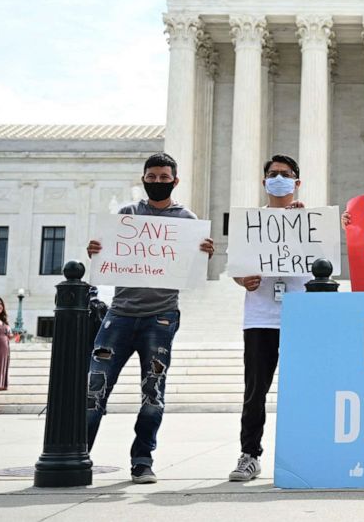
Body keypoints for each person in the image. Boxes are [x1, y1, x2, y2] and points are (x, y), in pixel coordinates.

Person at [85, 152, 214, 484]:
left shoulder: (187, 219)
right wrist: (98, 252)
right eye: (152, 177)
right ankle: (79, 453)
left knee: (153, 393)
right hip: (120, 314)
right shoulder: (127, 215)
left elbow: (191, 267)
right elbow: (111, 253)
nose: (157, 182)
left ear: (175, 180)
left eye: (163, 177)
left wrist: (203, 254)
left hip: (161, 317)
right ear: (143, 179)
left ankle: (142, 460)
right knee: (94, 388)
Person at [228, 154, 312, 482]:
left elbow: (326, 262)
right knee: (255, 391)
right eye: (274, 174)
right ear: (264, 182)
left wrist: (310, 226)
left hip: (301, 314)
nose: (279, 179)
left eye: (286, 174)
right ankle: (250, 454)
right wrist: (243, 280)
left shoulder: (309, 220)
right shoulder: (251, 223)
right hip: (261, 316)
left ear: (297, 182)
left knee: (304, 389)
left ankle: (305, 451)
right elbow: (237, 268)